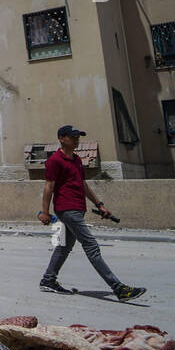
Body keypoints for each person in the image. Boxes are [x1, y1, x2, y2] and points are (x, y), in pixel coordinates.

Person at [38, 125, 145, 301]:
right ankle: (118, 288)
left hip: (77, 209)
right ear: (62, 138)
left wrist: (99, 204)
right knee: (91, 245)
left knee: (64, 246)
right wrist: (45, 212)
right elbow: (49, 186)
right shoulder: (55, 160)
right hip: (67, 209)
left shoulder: (77, 160)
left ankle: (48, 280)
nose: (76, 140)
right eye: (73, 137)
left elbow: (83, 184)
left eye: (78, 137)